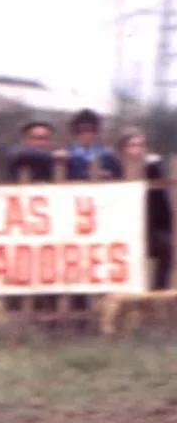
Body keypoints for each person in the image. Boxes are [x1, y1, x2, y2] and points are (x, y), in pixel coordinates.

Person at [120, 129, 170, 290]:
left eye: (141, 145)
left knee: (167, 247)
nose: (138, 149)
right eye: (133, 145)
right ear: (124, 149)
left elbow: (162, 199)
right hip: (124, 228)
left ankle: (158, 291)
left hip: (150, 226)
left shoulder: (152, 168)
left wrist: (155, 166)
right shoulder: (118, 170)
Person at [66, 109, 123, 181]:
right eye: (82, 131)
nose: (87, 135)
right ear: (76, 133)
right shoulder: (69, 155)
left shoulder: (108, 154)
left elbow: (117, 174)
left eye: (91, 130)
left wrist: (107, 174)